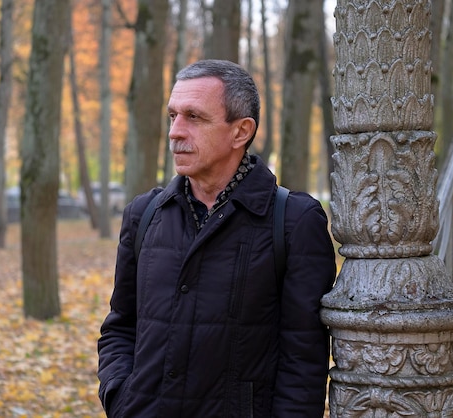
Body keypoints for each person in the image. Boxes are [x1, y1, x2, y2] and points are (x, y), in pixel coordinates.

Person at [97, 59, 336, 417]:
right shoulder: (143, 215)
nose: (175, 132)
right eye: (172, 116)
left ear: (241, 132)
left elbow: (303, 365)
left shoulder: (294, 222)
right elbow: (120, 327)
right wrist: (122, 399)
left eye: (194, 117)